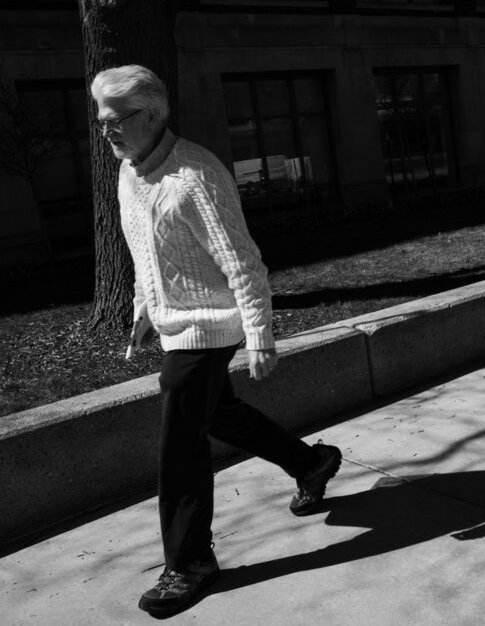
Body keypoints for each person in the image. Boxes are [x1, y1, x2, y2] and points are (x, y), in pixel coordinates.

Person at [89, 65, 341, 618]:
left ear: (152, 114)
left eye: (115, 120)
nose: (105, 129)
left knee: (179, 439)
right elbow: (144, 254)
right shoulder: (130, 173)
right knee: (217, 414)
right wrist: (143, 309)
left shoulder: (195, 176)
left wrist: (260, 335)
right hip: (177, 322)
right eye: (101, 119)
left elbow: (242, 261)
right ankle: (311, 463)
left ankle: (191, 562)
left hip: (213, 322)